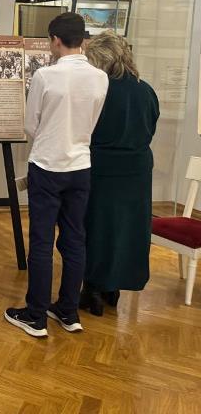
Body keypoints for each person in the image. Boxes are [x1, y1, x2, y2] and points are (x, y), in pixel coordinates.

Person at [5, 12, 108, 338]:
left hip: (48, 165)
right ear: (83, 40)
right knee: (75, 239)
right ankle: (67, 310)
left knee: (41, 241)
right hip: (80, 165)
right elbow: (92, 123)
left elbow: (30, 125)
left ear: (55, 40)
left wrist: (51, 137)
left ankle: (35, 315)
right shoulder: (100, 77)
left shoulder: (46, 75)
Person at [81, 31, 159, 315]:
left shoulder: (100, 90)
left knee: (97, 229)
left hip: (102, 169)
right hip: (137, 171)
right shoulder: (146, 90)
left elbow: (86, 129)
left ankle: (92, 288)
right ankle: (113, 288)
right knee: (128, 230)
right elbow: (151, 125)